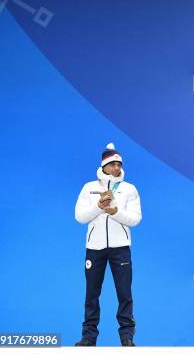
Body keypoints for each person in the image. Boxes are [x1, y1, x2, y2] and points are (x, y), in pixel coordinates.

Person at [74, 143, 142, 346]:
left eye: (119, 164)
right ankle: (88, 337)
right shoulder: (89, 188)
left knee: (124, 292)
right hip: (94, 249)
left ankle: (127, 336)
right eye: (112, 164)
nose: (116, 168)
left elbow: (136, 219)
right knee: (92, 293)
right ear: (103, 165)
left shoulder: (129, 189)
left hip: (121, 248)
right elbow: (79, 217)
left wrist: (115, 212)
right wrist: (98, 207)